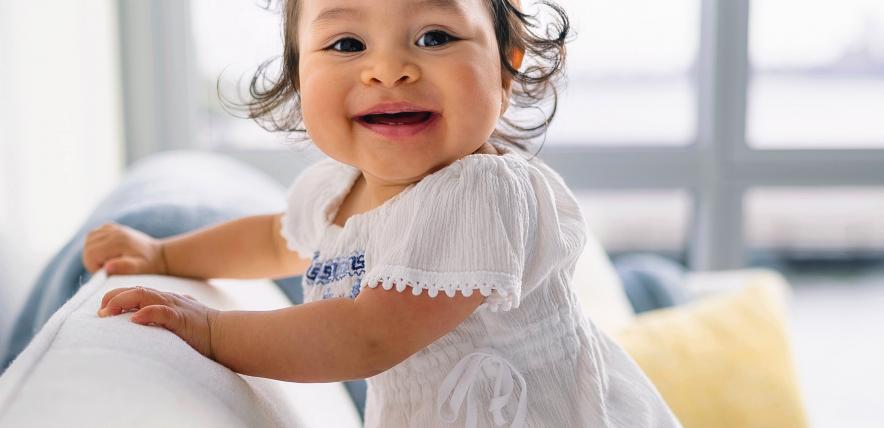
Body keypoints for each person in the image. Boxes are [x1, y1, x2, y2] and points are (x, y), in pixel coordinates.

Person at [85, 0, 681, 426]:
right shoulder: (335, 191)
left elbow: (365, 336)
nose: (389, 69)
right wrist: (164, 254)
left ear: (505, 67)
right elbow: (272, 240)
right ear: (298, 75)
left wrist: (211, 331)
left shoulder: (485, 192)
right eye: (347, 44)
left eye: (434, 37)